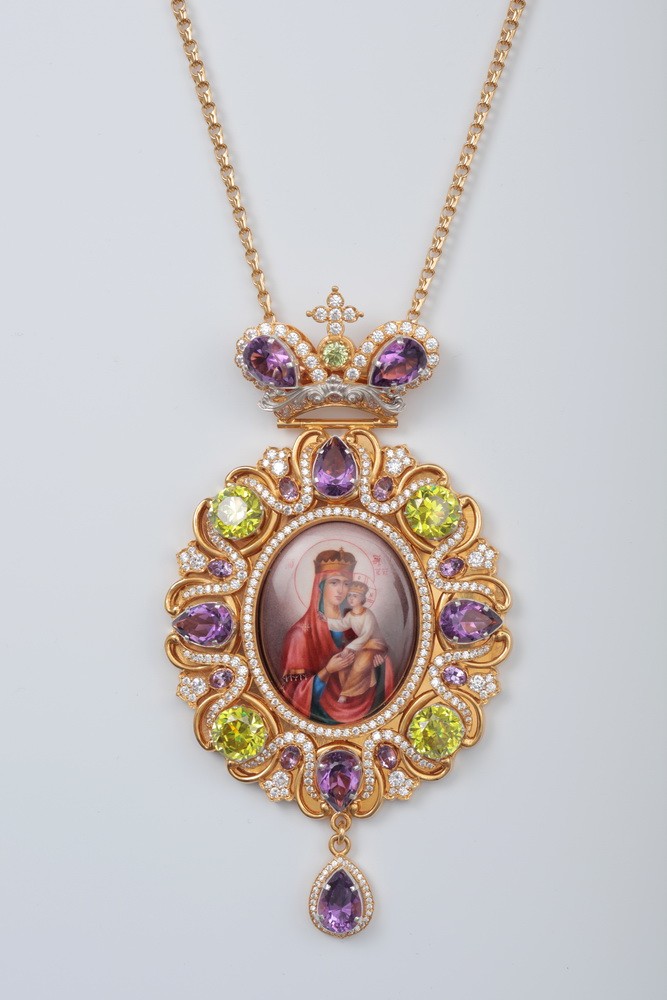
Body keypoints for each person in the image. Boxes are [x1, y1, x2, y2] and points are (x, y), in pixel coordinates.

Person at [279, 548, 396, 724]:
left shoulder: (355, 620)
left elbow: (374, 647)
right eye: (334, 582)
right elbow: (293, 695)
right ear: (320, 586)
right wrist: (327, 671)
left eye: (346, 583)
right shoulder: (300, 634)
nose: (341, 590)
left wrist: (377, 663)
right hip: (322, 716)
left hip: (366, 710)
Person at [338, 581, 388, 700]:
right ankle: (350, 692)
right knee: (344, 662)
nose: (351, 598)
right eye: (349, 595)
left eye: (355, 596)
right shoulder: (350, 615)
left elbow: (366, 635)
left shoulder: (368, 614)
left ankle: (344, 694)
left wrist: (348, 648)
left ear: (362, 598)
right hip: (360, 645)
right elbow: (341, 625)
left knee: (360, 664)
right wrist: (326, 621)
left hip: (375, 645)